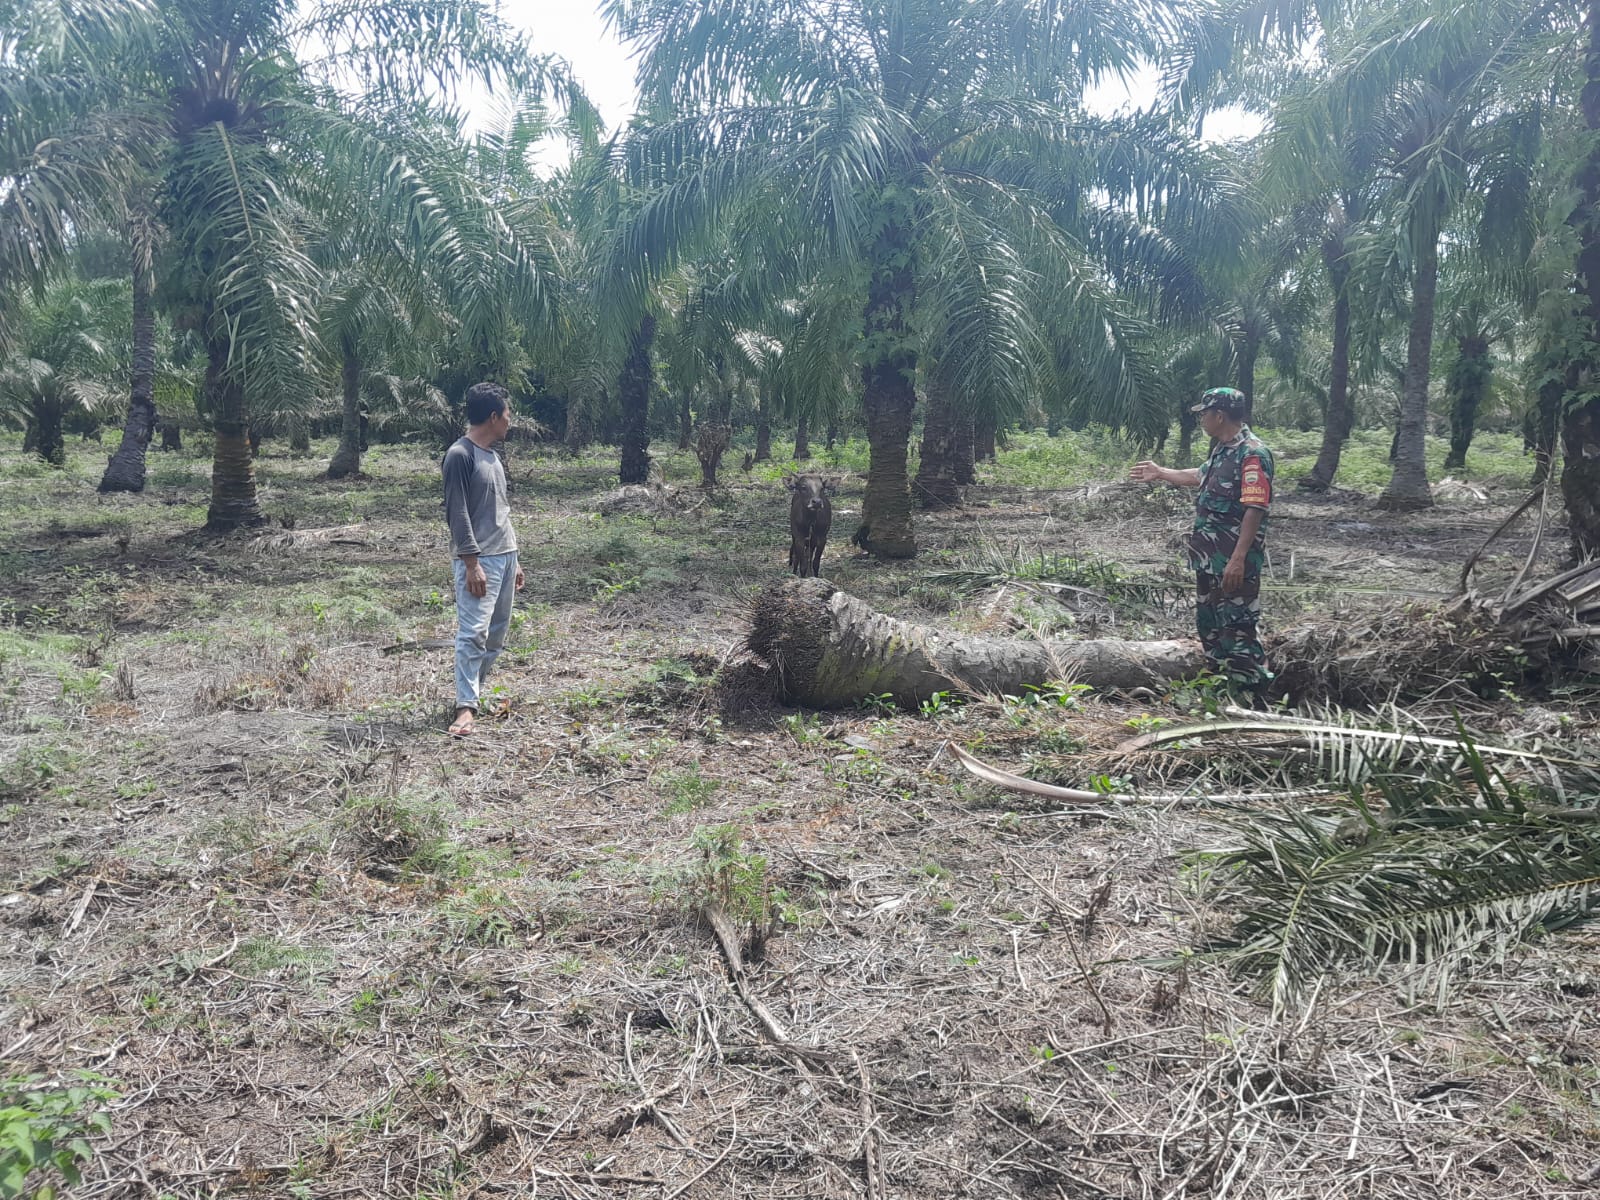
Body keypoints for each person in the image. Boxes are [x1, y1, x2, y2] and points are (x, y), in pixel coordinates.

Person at [1130, 387, 1275, 694]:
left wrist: (1237, 559)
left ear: (1219, 415)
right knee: (1210, 626)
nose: (1201, 421)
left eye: (1204, 414)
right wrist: (1160, 473)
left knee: (1239, 629)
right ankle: (1221, 691)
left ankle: (1254, 697)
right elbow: (1200, 475)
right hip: (1209, 560)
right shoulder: (1223, 449)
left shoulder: (1252, 453)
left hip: (1233, 562)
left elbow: (1255, 509)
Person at [442, 382, 524, 736]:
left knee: (495, 635)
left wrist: (515, 558)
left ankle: (474, 693)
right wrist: (471, 563)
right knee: (473, 633)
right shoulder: (461, 455)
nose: (510, 421)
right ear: (493, 417)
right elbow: (457, 513)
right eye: (507, 414)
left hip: (505, 557)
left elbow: (501, 510)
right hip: (480, 561)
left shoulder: (492, 455)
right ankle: (464, 708)